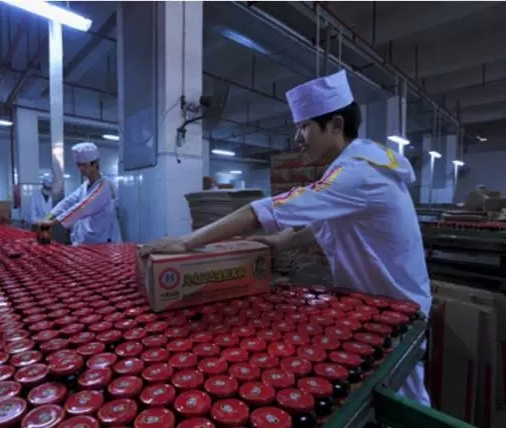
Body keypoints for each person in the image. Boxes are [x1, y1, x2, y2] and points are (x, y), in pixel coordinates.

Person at [140, 70, 432, 407]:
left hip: (398, 309)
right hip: (376, 303)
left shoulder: (358, 173)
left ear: (335, 124)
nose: (297, 138)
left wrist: (186, 242)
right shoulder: (358, 164)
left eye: (304, 127)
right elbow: (328, 223)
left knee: (404, 396)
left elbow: (266, 210)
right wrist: (281, 243)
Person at [35, 142, 122, 245]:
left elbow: (82, 208)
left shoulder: (103, 188)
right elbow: (67, 202)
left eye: (84, 165)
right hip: (87, 241)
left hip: (104, 242)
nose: (81, 169)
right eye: (78, 165)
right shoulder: (85, 186)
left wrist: (53, 223)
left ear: (95, 164)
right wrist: (48, 217)